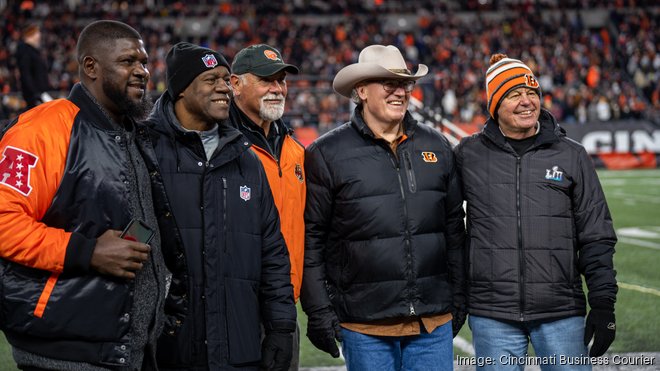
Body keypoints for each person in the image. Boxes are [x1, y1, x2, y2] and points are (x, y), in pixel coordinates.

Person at [0, 20, 169, 370]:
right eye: (128, 62)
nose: (142, 71)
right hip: (63, 354)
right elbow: (3, 221)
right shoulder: (42, 129)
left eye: (144, 62)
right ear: (91, 67)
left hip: (132, 351)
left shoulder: (137, 134)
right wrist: (86, 251)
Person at [300, 44, 467, 370]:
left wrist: (459, 297)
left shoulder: (437, 146)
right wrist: (319, 310)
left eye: (404, 84)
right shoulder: (326, 153)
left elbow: (454, 230)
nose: (399, 92)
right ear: (361, 90)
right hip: (365, 325)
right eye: (387, 84)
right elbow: (311, 239)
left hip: (432, 323)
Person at [454, 54, 618, 370]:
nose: (527, 102)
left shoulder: (572, 155)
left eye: (533, 93)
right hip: (492, 313)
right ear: (495, 104)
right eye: (515, 94)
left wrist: (602, 303)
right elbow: (445, 226)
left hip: (561, 311)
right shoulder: (467, 155)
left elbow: (596, 234)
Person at [144, 42, 296, 371]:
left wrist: (282, 326)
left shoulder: (245, 159)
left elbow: (272, 252)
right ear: (181, 89)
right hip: (166, 350)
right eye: (211, 79)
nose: (224, 88)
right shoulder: (145, 151)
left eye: (226, 79)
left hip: (238, 346)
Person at [228, 43, 305, 371]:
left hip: (285, 309)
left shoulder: (295, 150)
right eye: (265, 79)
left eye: (281, 80)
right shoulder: (216, 145)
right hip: (232, 313)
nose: (277, 88)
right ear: (235, 84)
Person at [15, 23, 53, 110]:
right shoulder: (25, 50)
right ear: (31, 34)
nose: (39, 35)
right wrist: (34, 93)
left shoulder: (33, 51)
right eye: (37, 32)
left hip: (39, 92)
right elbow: (25, 73)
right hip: (34, 94)